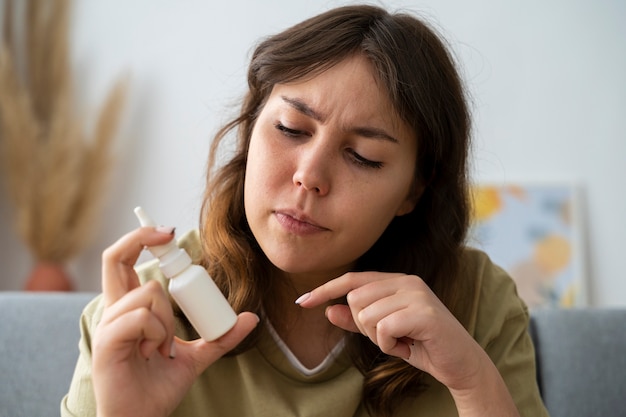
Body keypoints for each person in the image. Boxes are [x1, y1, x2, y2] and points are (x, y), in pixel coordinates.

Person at [62, 4, 549, 417]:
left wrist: (471, 382)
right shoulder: (139, 316)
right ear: (250, 130)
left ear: (413, 193)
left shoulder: (480, 303)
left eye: (364, 157)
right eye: (292, 129)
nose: (309, 176)